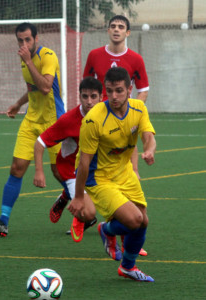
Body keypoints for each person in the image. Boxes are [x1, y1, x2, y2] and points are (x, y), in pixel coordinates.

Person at [68, 67, 156, 282]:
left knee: (143, 221)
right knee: (134, 219)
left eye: (119, 90)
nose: (114, 96)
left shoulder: (139, 109)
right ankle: (106, 229)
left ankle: (127, 267)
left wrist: (149, 149)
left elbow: (148, 135)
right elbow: (85, 162)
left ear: (130, 89)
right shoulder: (93, 119)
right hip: (99, 177)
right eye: (109, 91)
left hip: (124, 171)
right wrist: (79, 196)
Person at [0, 22, 65, 236]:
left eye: (28, 39)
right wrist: (19, 104)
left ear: (37, 38)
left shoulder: (48, 56)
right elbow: (33, 88)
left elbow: (45, 87)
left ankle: (84, 206)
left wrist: (28, 61)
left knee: (59, 172)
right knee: (17, 168)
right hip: (31, 120)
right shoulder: (24, 57)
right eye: (20, 40)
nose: (24, 43)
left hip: (54, 120)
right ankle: (3, 221)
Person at [83, 15, 150, 255]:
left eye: (121, 27)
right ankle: (118, 227)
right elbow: (88, 85)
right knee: (91, 164)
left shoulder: (135, 59)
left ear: (128, 32)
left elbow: (143, 89)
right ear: (107, 30)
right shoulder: (94, 55)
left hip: (124, 122)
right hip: (100, 126)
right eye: (113, 26)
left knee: (130, 177)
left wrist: (131, 111)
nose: (116, 30)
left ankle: (126, 235)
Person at [33, 77, 103, 242]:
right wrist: (39, 171)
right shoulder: (69, 120)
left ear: (101, 97)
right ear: (79, 97)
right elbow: (40, 142)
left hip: (98, 168)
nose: (89, 101)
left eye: (93, 96)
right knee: (89, 213)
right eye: (84, 96)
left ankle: (65, 196)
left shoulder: (108, 113)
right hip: (73, 170)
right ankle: (79, 213)